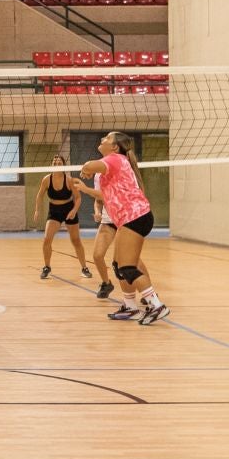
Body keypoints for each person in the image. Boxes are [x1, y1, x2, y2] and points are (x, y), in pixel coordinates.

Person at [80, 133, 168, 324]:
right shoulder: (114, 163)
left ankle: (156, 304)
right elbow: (104, 193)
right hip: (130, 218)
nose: (102, 139)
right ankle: (130, 307)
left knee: (128, 267)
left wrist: (86, 169)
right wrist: (88, 177)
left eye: (107, 138)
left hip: (135, 216)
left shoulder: (115, 159)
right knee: (119, 266)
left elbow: (89, 165)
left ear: (115, 147)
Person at [33, 153, 91, 281]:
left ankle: (84, 268)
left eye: (59, 163)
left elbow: (78, 197)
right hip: (54, 211)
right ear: (51, 165)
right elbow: (40, 195)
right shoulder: (46, 179)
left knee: (76, 240)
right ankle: (47, 267)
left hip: (69, 209)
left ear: (64, 166)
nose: (57, 165)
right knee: (47, 239)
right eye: (55, 163)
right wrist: (37, 210)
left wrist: (74, 210)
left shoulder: (69, 180)